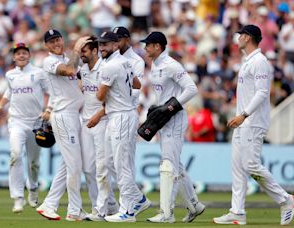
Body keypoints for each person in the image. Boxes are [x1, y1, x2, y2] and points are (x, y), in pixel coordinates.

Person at [213, 24, 294, 226]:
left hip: (253, 121)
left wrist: (243, 114)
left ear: (248, 37)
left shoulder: (260, 62)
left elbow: (262, 93)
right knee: (238, 168)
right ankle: (237, 212)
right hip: (243, 121)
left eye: (240, 35)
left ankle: (286, 200)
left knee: (250, 164)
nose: (237, 38)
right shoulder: (248, 61)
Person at [140, 31, 205, 223]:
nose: (145, 48)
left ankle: (166, 213)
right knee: (175, 164)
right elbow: (161, 93)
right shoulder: (155, 64)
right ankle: (194, 204)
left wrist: (171, 106)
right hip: (163, 120)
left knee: (168, 165)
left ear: (158, 47)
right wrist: (156, 108)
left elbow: (191, 88)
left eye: (148, 45)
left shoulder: (171, 65)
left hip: (175, 118)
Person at [35, 29, 89, 221]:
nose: (56, 43)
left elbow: (78, 76)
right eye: (51, 41)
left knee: (67, 164)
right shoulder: (49, 61)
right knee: (74, 164)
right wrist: (77, 49)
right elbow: (69, 70)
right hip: (63, 116)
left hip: (74, 115)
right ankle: (74, 210)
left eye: (57, 39)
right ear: (46, 46)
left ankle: (49, 204)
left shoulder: (68, 57)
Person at [96, 31, 149, 223]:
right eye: (100, 44)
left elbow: (100, 96)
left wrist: (106, 89)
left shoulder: (111, 66)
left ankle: (128, 211)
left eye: (106, 44)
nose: (102, 47)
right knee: (111, 162)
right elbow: (136, 84)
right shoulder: (125, 63)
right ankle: (139, 199)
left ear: (115, 45)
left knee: (122, 164)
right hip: (118, 114)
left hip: (122, 116)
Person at [0, 43, 49, 213]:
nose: (21, 56)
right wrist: (0, 105)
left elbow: (51, 92)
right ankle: (18, 198)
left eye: (24, 53)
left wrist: (48, 111)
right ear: (14, 57)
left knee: (33, 163)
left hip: (36, 123)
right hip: (16, 121)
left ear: (29, 55)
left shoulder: (39, 73)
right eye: (18, 54)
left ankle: (32, 188)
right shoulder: (10, 74)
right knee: (15, 155)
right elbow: (9, 92)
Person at [78, 36, 119, 221]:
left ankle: (99, 210)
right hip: (86, 123)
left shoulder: (105, 68)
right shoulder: (82, 69)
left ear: (94, 51)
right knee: (88, 168)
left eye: (84, 51)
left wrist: (99, 114)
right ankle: (107, 206)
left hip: (102, 121)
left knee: (102, 167)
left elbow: (113, 97)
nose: (81, 55)